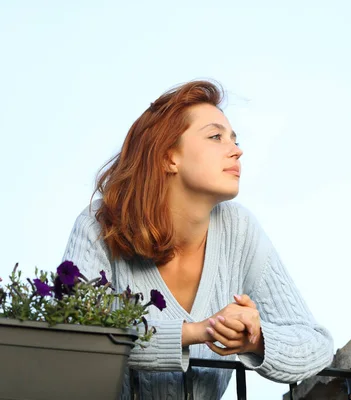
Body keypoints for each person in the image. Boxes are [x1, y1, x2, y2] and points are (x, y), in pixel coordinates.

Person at [62, 80, 334, 399]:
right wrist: (197, 331)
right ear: (168, 157)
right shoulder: (100, 224)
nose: (236, 149)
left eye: (234, 138)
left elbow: (316, 346)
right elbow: (78, 332)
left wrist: (255, 339)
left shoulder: (239, 228)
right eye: (215, 136)